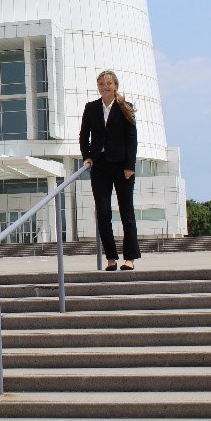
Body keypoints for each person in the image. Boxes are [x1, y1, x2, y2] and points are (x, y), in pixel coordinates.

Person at [79, 70, 140, 271]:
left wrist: (130, 166)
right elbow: (83, 136)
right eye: (101, 84)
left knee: (126, 212)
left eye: (108, 84)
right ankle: (111, 258)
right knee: (103, 213)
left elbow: (132, 139)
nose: (105, 87)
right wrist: (87, 155)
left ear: (115, 86)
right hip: (100, 166)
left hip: (123, 167)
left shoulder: (125, 107)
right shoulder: (91, 108)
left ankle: (129, 258)